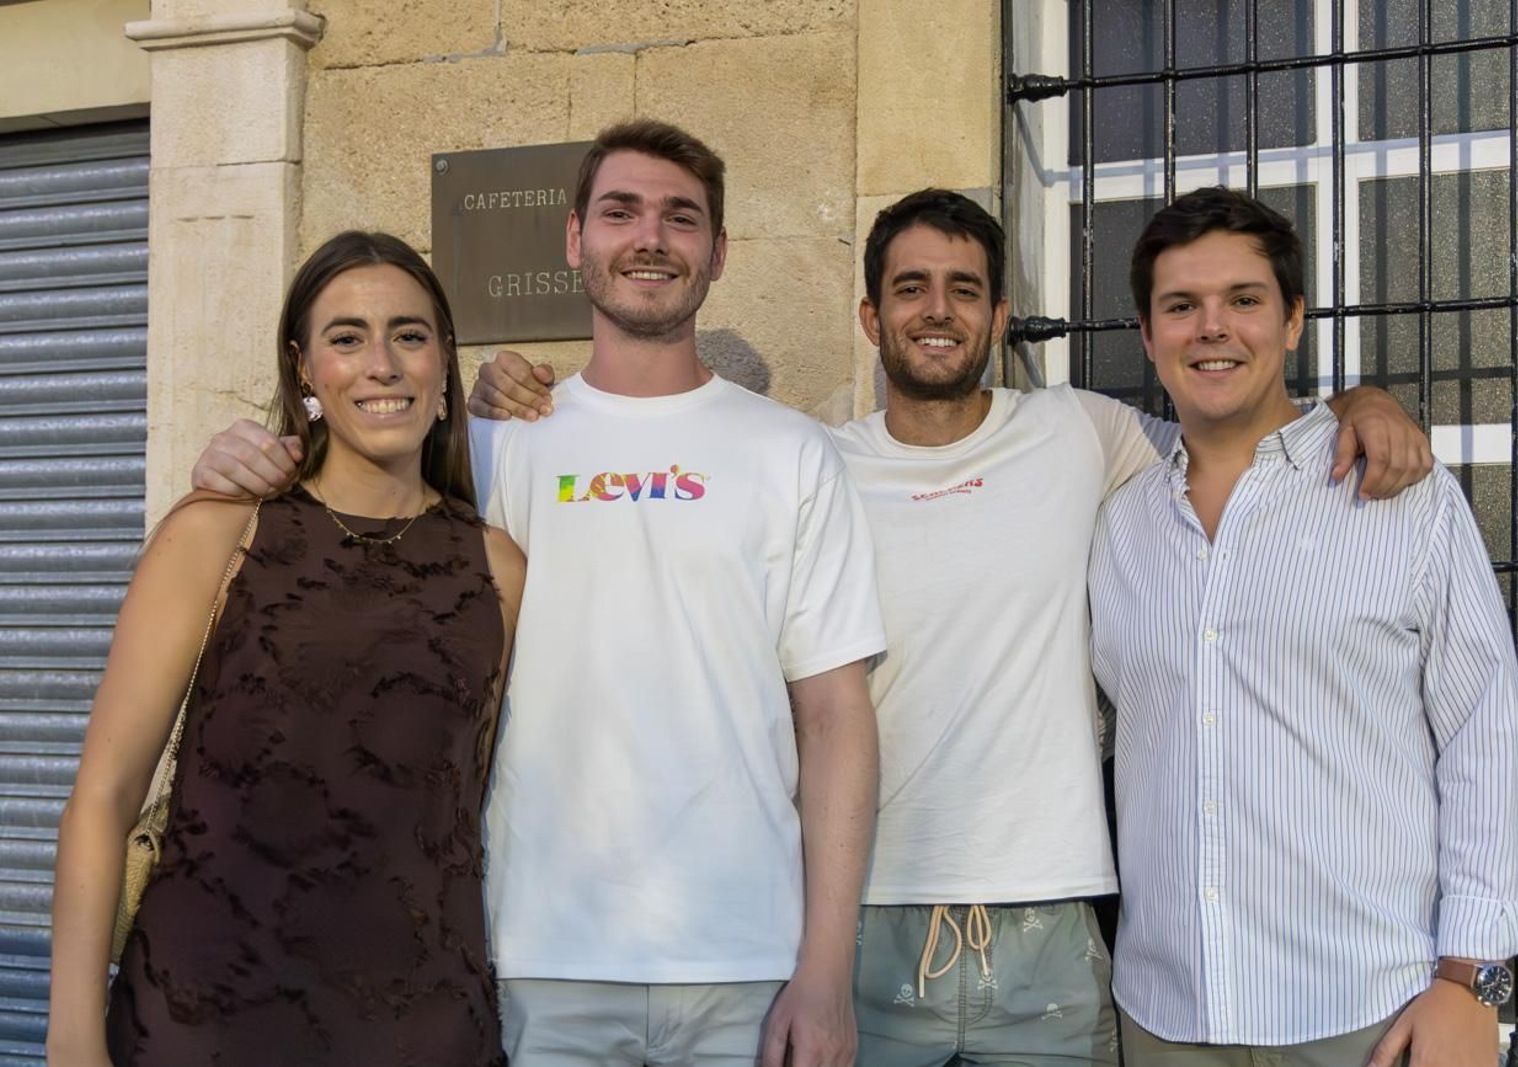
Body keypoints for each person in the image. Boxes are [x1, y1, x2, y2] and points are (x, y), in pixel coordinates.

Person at [470, 188, 1434, 1066]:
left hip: (1048, 931)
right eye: (911, 287)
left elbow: (1235, 421)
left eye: (965, 288)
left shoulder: (1080, 433)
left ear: (999, 317)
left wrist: (1357, 405)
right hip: (863, 925)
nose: (938, 309)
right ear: (870, 317)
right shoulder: (809, 460)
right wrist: (508, 400)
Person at [186, 119, 885, 1067]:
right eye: (621, 211)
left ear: (718, 252)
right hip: (535, 957)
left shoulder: (791, 451)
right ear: (574, 239)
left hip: (745, 961)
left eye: (682, 218)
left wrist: (826, 971)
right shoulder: (492, 449)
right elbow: (336, 499)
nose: (651, 237)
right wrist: (240, 453)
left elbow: (837, 717)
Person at [47, 231, 526, 1066]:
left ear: (444, 364)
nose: (381, 363)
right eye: (347, 338)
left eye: (409, 335)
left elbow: (457, 809)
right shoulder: (218, 534)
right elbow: (104, 796)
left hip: (421, 1032)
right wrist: (72, 1037)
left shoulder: (496, 567)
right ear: (305, 369)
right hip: (199, 1026)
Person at [1088, 187, 1518, 1067]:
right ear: (1147, 335)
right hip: (1166, 1013)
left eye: (1244, 301)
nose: (1212, 328)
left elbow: (1485, 738)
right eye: (1182, 306)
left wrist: (1471, 980)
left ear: (1292, 321)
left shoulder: (1401, 497)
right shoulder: (1118, 523)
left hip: (1369, 1012)